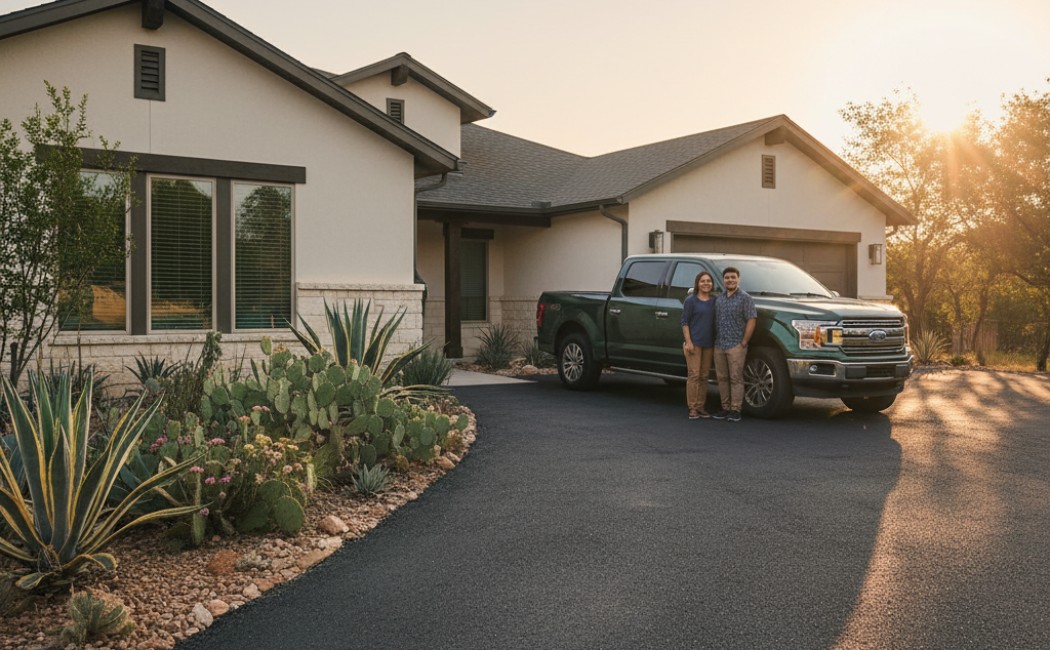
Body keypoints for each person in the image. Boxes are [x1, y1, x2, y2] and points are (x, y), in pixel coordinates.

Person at [712, 266, 757, 422]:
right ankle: (725, 408)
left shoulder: (745, 298)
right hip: (719, 345)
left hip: (736, 345)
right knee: (722, 378)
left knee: (736, 378)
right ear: (723, 280)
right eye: (727, 278)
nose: (730, 280)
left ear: (739, 279)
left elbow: (751, 319)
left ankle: (735, 409)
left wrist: (744, 341)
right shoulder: (719, 298)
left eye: (733, 277)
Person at [681, 271, 716, 419]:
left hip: (709, 344)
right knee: (694, 375)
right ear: (697, 283)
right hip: (694, 344)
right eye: (703, 281)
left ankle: (701, 406)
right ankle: (693, 408)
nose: (706, 283)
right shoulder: (691, 301)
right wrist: (688, 341)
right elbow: (684, 322)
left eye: (708, 281)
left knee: (704, 376)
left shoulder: (715, 301)